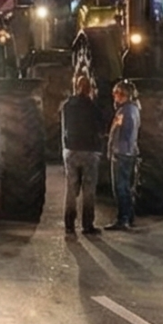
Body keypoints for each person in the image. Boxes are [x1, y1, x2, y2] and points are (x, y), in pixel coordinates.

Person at [59, 69, 106, 235]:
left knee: (71, 188)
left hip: (71, 150)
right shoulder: (94, 107)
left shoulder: (67, 106)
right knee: (88, 189)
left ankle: (69, 224)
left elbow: (64, 127)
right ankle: (87, 225)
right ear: (90, 89)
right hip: (89, 151)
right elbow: (101, 129)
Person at [105, 80, 141, 230]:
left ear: (122, 94)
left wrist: (114, 148)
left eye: (116, 93)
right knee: (126, 187)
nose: (114, 97)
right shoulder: (134, 109)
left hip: (121, 153)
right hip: (129, 152)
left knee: (120, 187)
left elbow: (123, 132)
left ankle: (123, 219)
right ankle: (129, 217)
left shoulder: (125, 111)